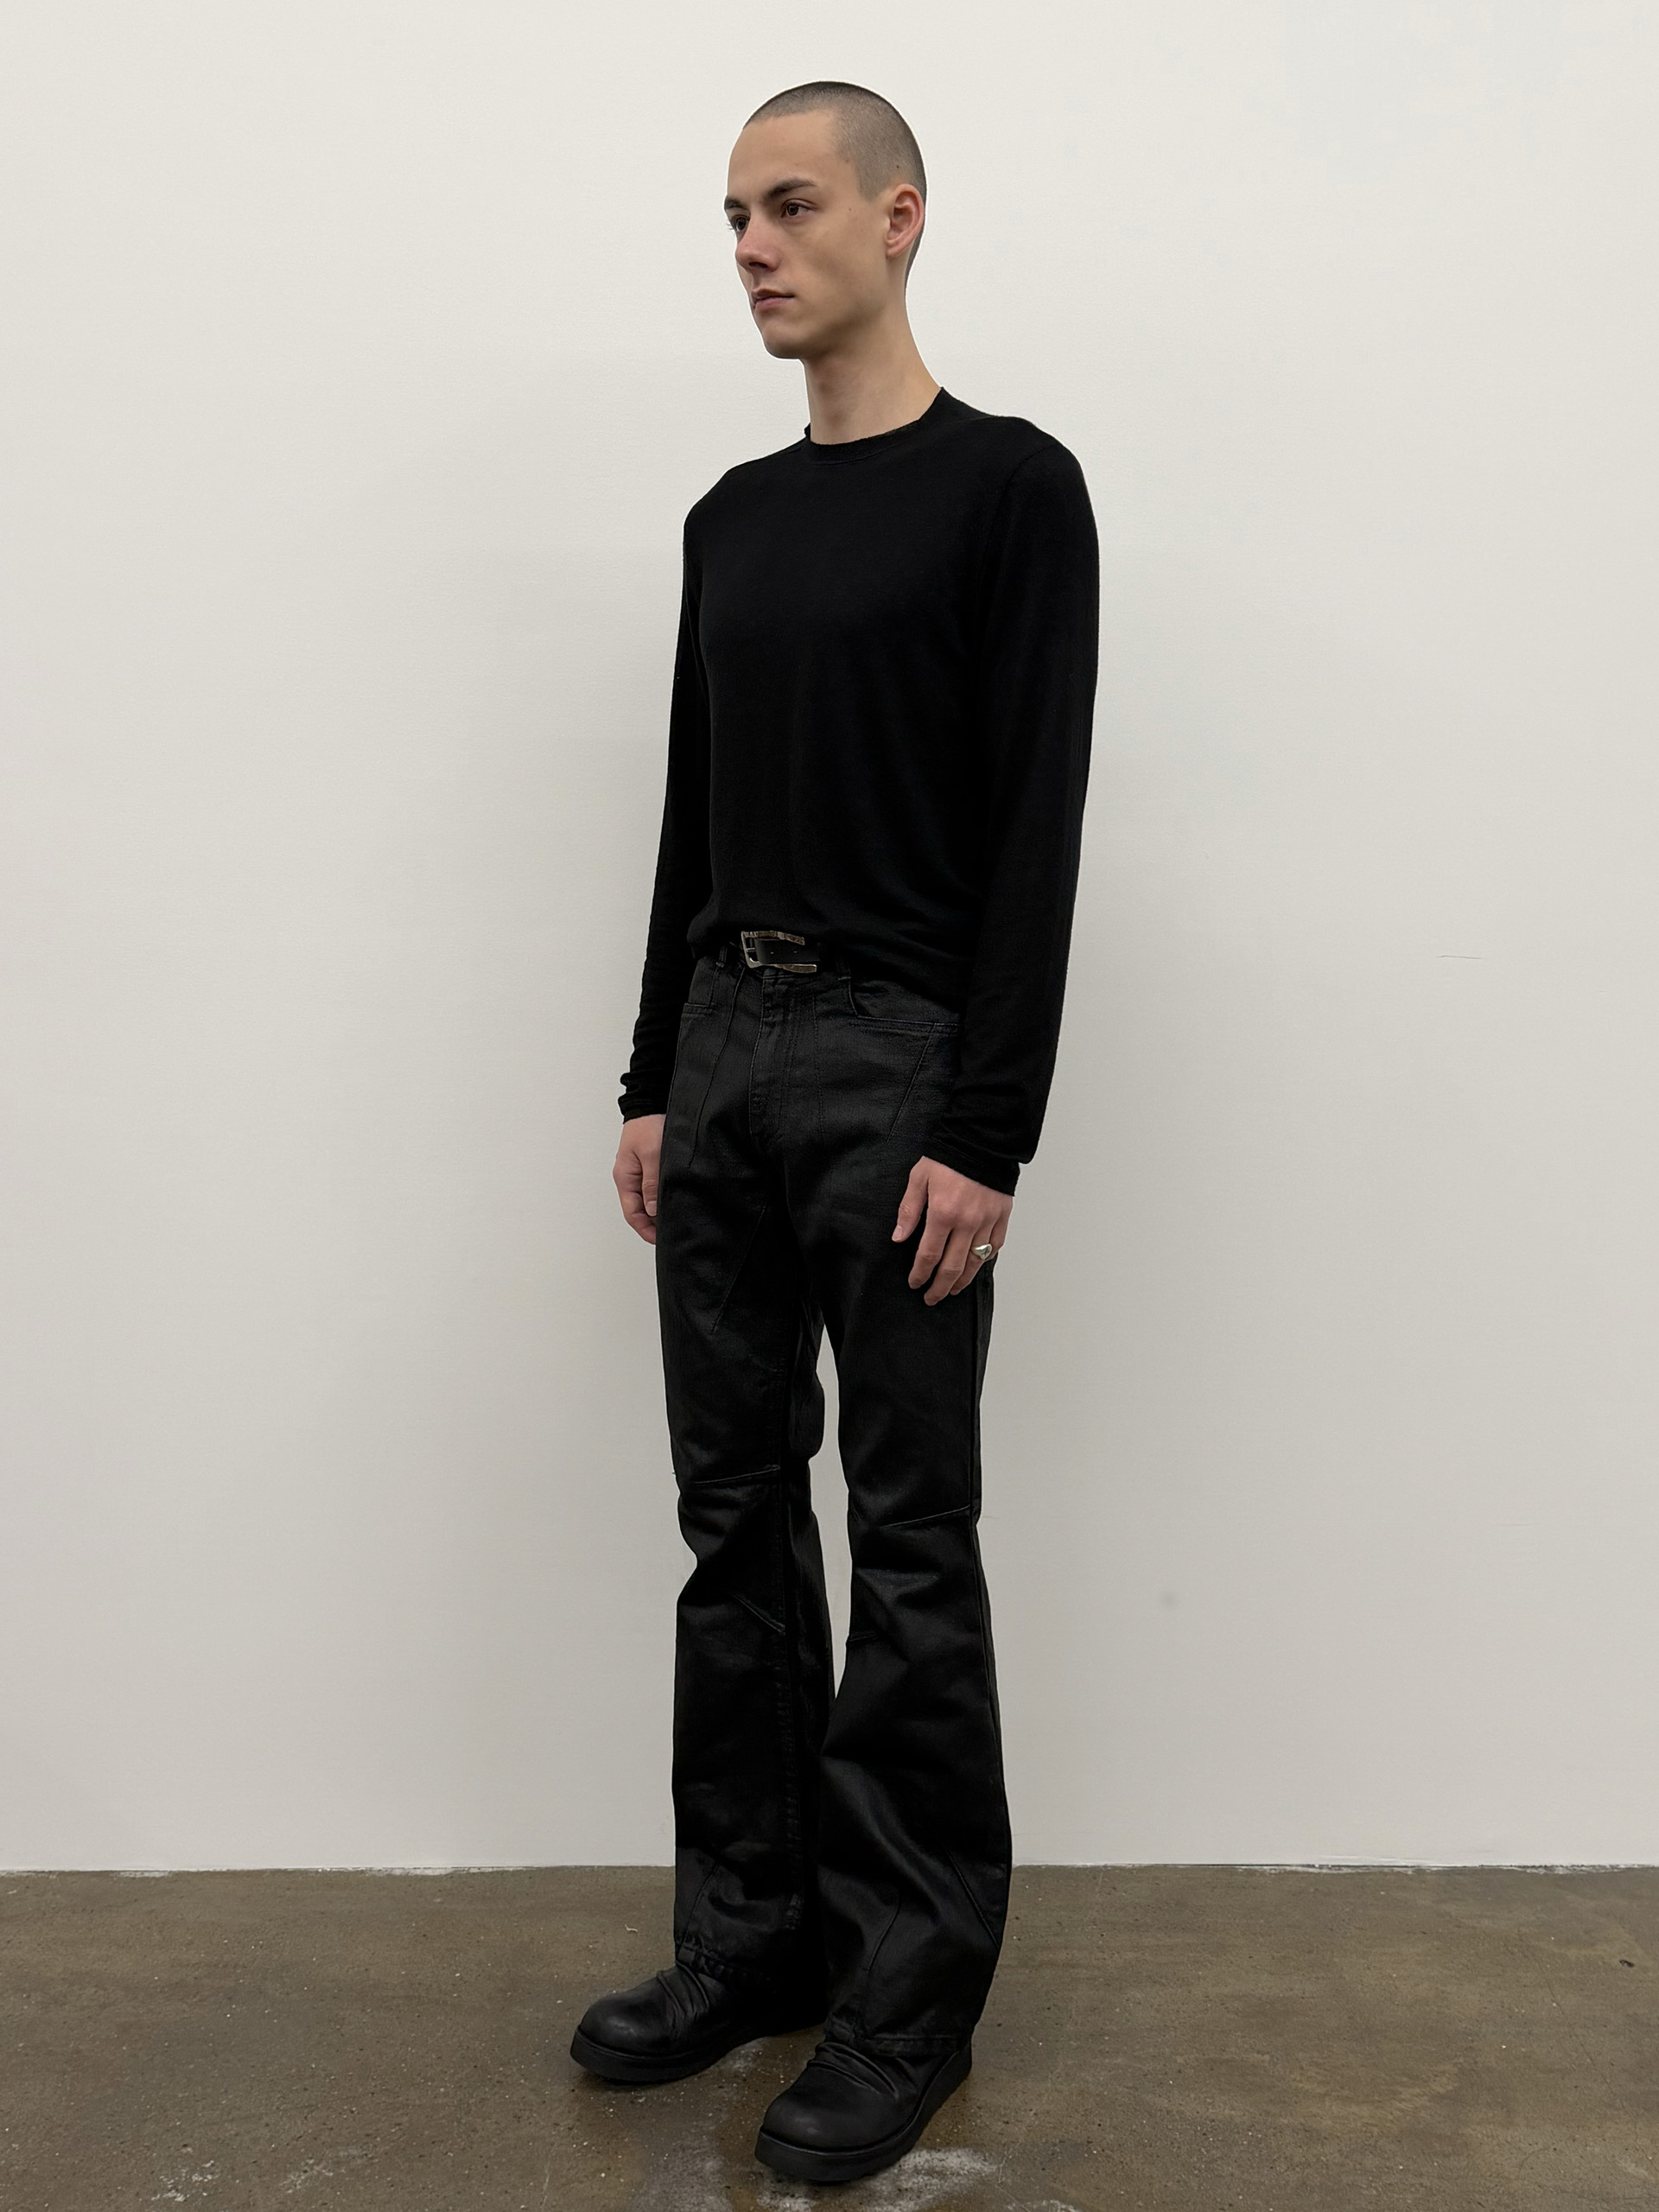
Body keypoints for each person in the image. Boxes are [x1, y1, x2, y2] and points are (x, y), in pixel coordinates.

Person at [573, 79, 1099, 2186]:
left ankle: (909, 1990)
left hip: (898, 1071)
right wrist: (650, 1072)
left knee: (907, 1532)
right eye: (732, 216)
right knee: (731, 1522)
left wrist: (990, 1128)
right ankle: (753, 1936)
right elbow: (691, 811)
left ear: (900, 217)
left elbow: (1035, 826)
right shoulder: (732, 517)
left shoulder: (1011, 491)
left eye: (790, 206)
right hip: (726, 1046)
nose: (753, 248)